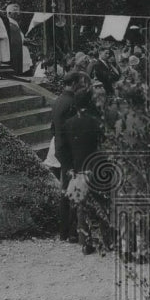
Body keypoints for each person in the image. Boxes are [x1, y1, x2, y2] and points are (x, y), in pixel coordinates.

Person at [57, 90, 104, 254]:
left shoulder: (68, 124)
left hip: (77, 170)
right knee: (100, 205)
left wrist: (69, 168)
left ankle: (85, 242)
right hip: (96, 169)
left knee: (81, 206)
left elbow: (61, 149)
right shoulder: (97, 123)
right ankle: (104, 240)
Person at [49, 72, 83, 240]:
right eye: (80, 82)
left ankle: (64, 231)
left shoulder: (58, 101)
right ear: (75, 83)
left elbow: (52, 128)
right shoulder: (72, 102)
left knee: (65, 189)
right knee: (73, 190)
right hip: (70, 151)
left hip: (60, 149)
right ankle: (71, 232)